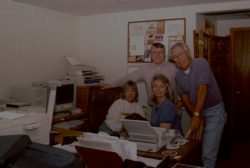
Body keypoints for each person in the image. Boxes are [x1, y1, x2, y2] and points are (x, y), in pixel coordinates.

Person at [170, 42, 227, 168]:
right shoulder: (178, 74)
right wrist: (197, 114)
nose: (179, 59)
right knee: (196, 150)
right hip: (199, 113)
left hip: (215, 113)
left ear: (189, 53)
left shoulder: (201, 63)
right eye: (175, 57)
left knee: (207, 155)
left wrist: (196, 115)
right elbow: (185, 98)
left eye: (181, 54)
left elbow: (203, 90)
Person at [101, 42, 183, 121]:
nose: (157, 55)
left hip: (171, 108)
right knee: (149, 134)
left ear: (165, 53)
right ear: (150, 54)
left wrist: (182, 101)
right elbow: (129, 78)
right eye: (154, 52)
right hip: (152, 110)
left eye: (160, 52)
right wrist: (111, 85)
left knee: (171, 134)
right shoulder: (144, 69)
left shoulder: (174, 68)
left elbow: (185, 86)